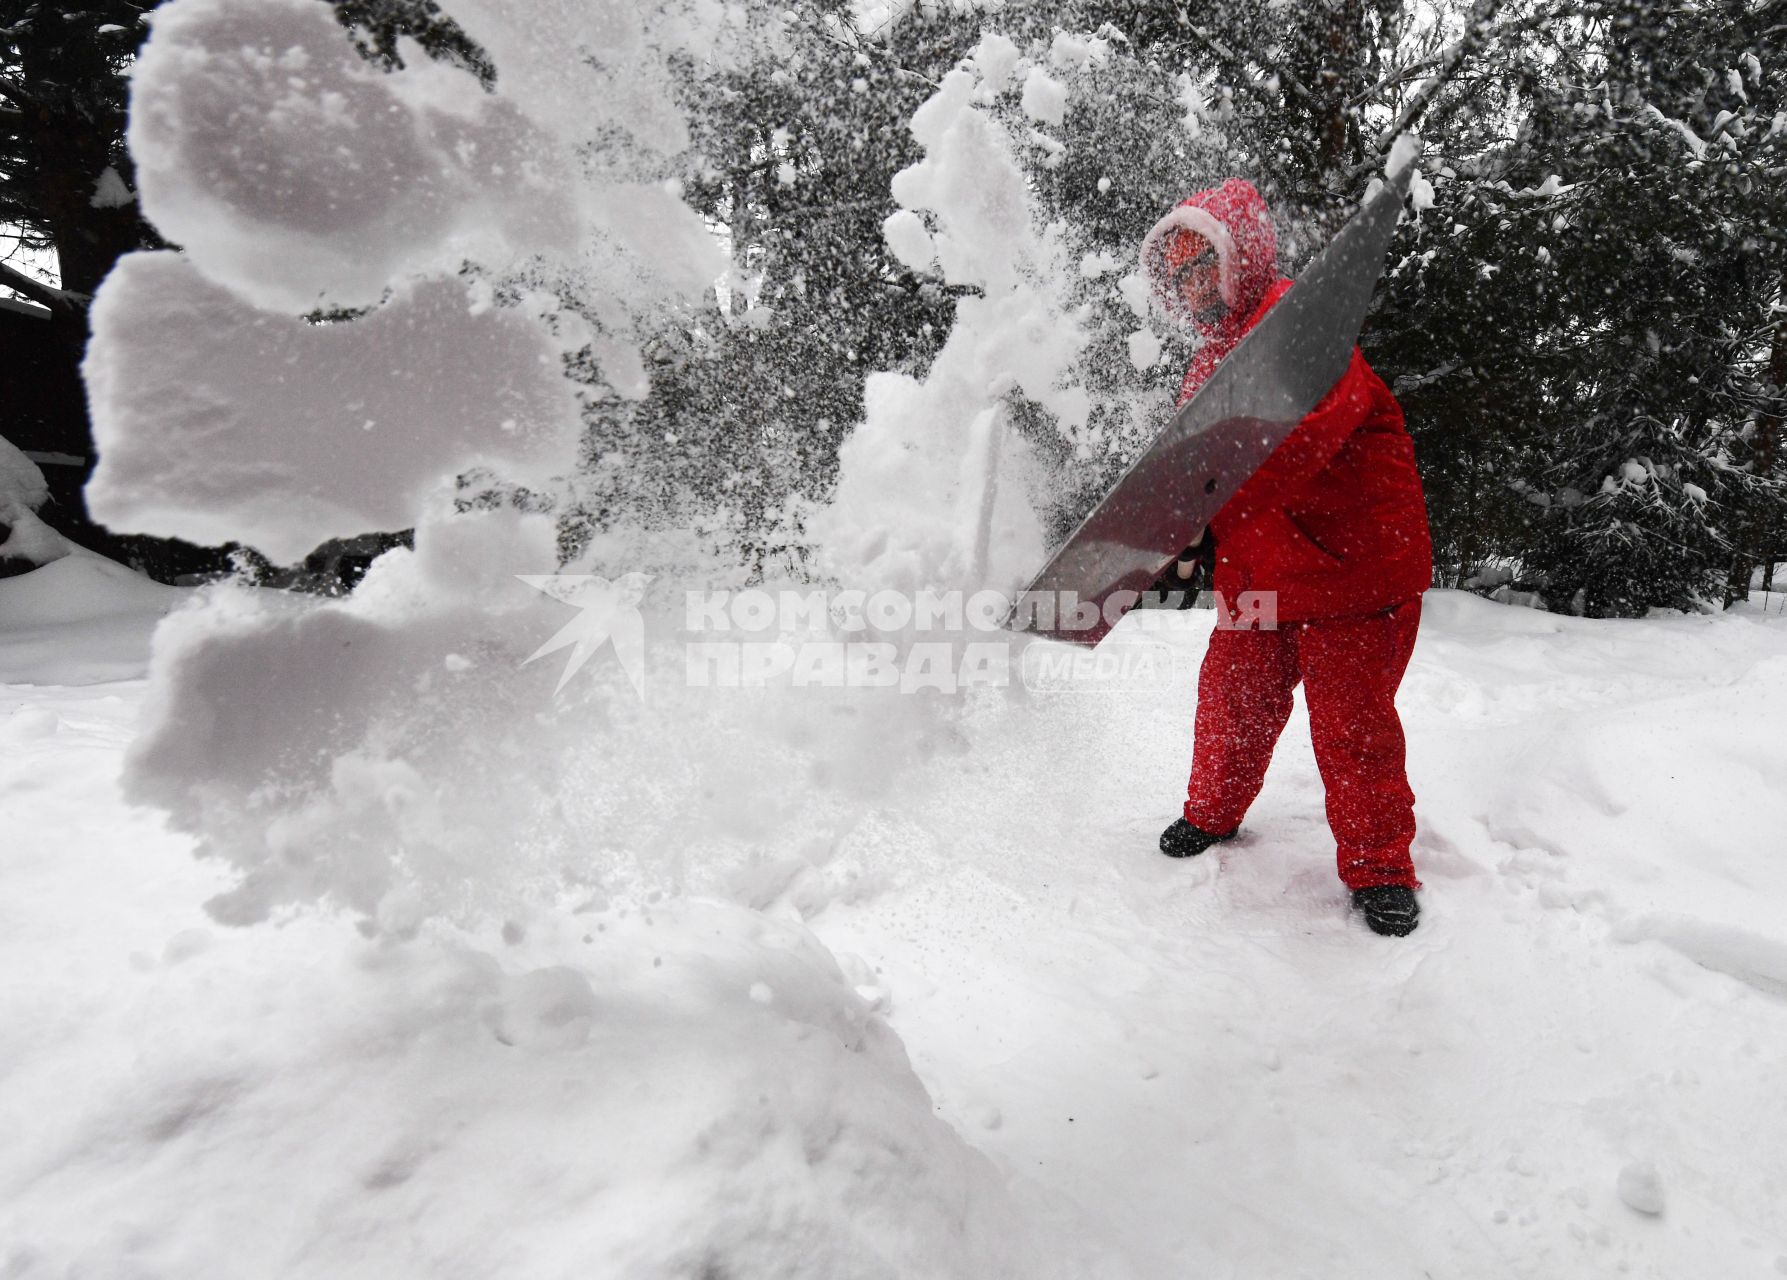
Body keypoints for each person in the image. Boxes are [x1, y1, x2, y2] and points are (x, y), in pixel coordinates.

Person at [1139, 178, 1433, 938]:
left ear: (1240, 260)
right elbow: (1193, 471)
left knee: (1351, 727)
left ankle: (1379, 868)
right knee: (1230, 700)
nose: (1190, 286)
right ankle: (1211, 812)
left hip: (1352, 572)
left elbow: (1282, 447)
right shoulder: (1207, 363)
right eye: (1178, 274)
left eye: (1202, 266)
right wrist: (1176, 539)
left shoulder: (1304, 329)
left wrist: (1194, 506)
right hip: (1261, 575)